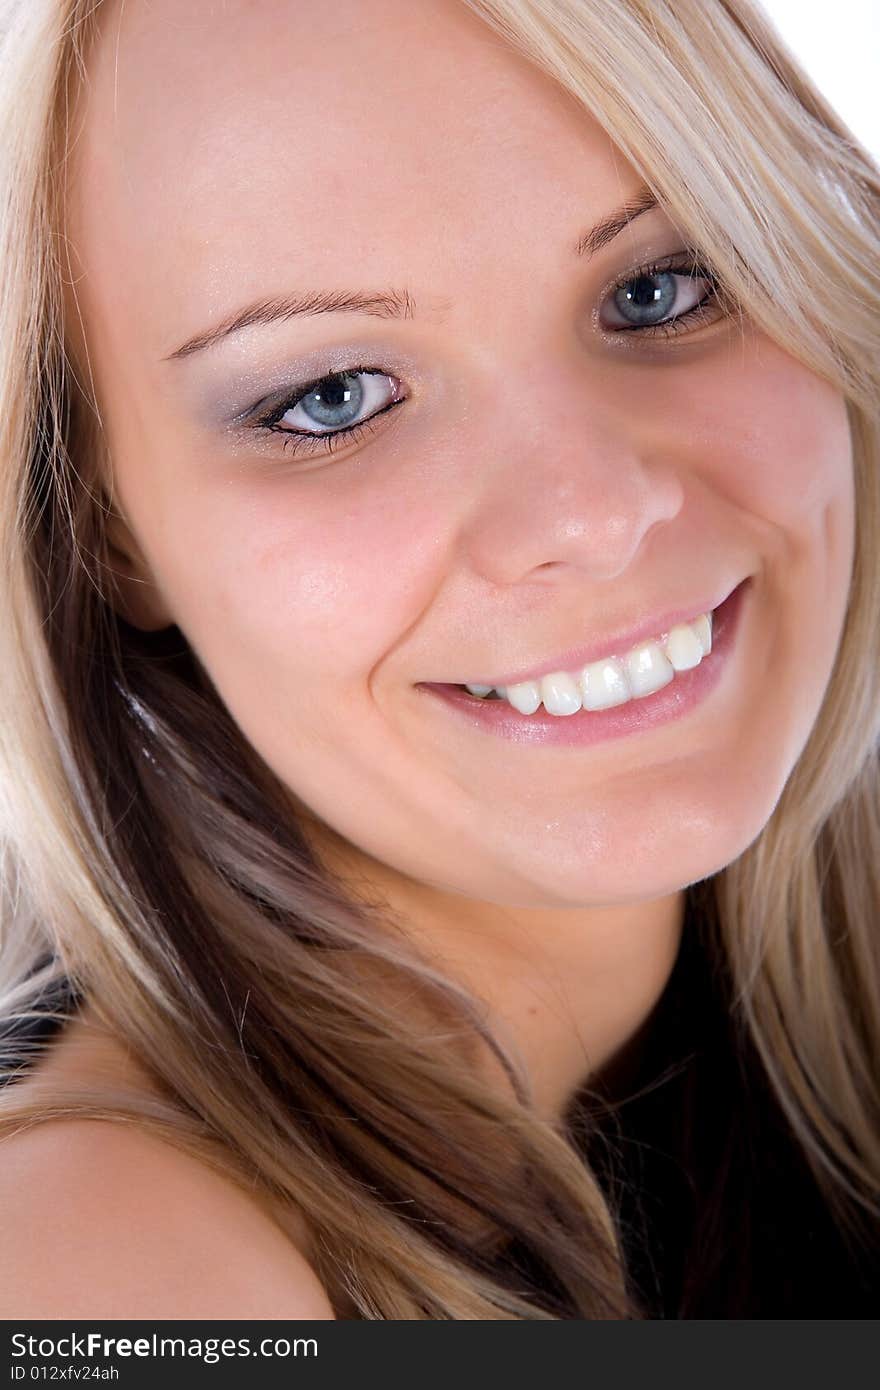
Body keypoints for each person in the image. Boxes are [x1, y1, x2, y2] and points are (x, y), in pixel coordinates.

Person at [0, 0, 878, 1320]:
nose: (591, 509)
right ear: (107, 538)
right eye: (332, 396)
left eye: (661, 287)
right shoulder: (105, 1278)